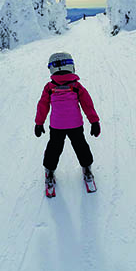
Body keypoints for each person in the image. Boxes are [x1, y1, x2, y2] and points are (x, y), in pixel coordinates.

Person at [35, 52, 100, 195]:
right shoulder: (76, 86)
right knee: (80, 146)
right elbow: (87, 104)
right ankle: (87, 169)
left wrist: (39, 123)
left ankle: (50, 172)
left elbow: (42, 105)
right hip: (75, 125)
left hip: (57, 126)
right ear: (71, 66)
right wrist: (94, 121)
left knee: (54, 148)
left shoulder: (49, 87)